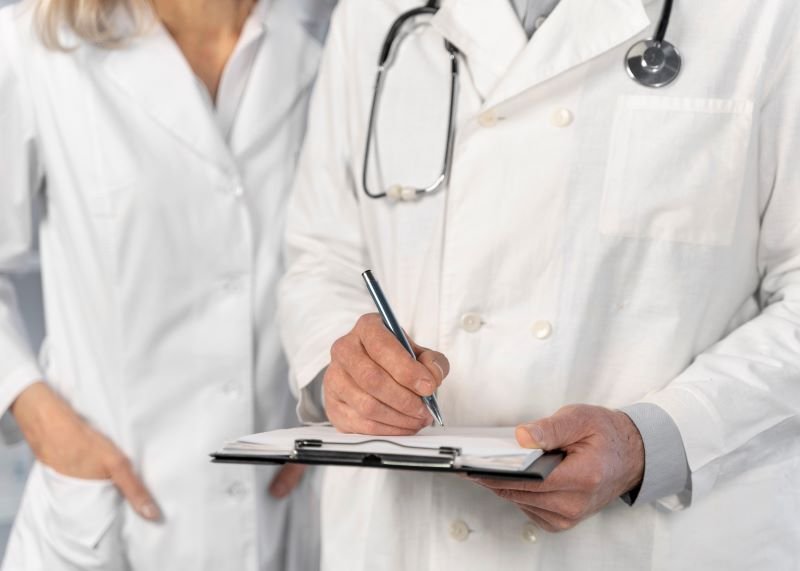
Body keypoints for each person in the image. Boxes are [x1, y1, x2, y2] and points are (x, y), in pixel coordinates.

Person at [278, 0, 800, 569]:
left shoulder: (770, 17)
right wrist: (346, 373)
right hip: (405, 535)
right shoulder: (371, 12)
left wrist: (651, 443)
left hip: (648, 540)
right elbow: (321, 253)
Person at [0, 0, 335, 568]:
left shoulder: (330, 39)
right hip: (106, 518)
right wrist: (36, 413)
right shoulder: (34, 45)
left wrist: (335, 413)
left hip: (282, 510)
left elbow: (349, 258)